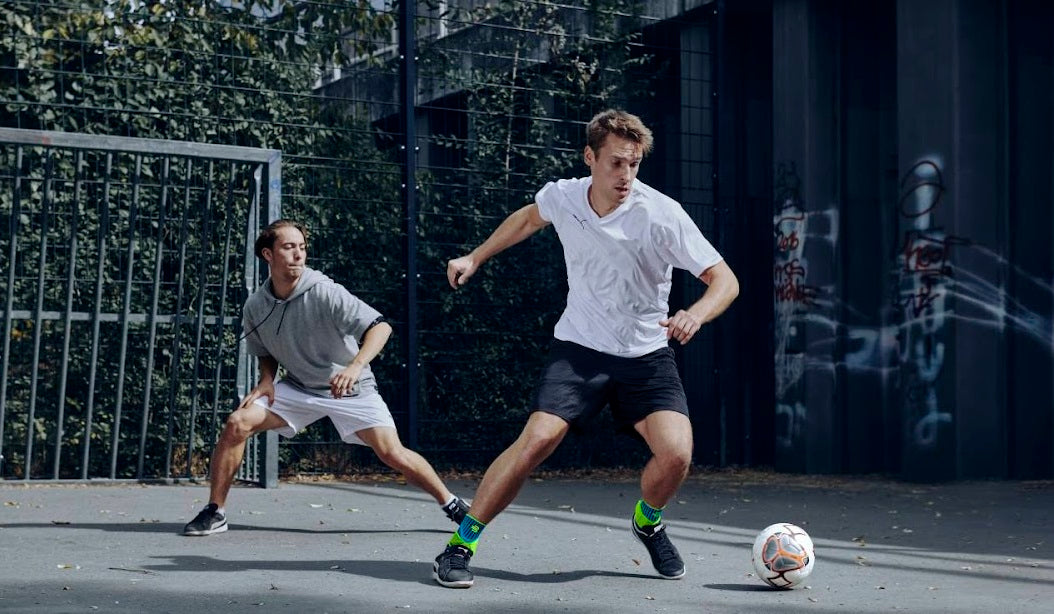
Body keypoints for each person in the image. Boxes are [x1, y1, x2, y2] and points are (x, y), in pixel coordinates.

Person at [432, 109, 739, 588]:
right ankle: (460, 545)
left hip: (646, 355)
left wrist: (695, 313)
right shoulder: (565, 196)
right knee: (536, 441)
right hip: (580, 348)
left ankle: (648, 521)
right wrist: (475, 256)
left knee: (677, 454)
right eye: (616, 163)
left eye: (635, 164)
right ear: (590, 157)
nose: (626, 175)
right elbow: (529, 219)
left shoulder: (661, 214)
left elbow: (725, 280)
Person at [183, 220, 469, 536]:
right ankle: (215, 511)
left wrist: (355, 366)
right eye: (288, 247)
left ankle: (452, 503)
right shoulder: (256, 306)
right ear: (268, 254)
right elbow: (263, 346)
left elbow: (381, 327)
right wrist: (267, 378)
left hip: (351, 388)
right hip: (299, 387)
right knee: (238, 422)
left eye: (302, 247)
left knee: (392, 453)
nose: (298, 254)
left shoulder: (325, 292)